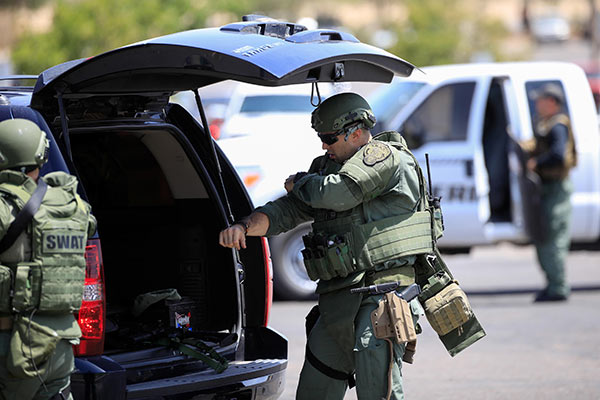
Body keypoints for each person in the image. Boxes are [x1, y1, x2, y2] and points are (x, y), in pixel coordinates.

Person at [219, 92, 438, 399]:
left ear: (357, 132)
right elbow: (288, 210)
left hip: (383, 294)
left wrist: (301, 183)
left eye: (329, 138)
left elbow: (340, 193)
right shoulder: (326, 170)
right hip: (340, 298)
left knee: (377, 382)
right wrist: (244, 227)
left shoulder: (384, 157)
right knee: (315, 387)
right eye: (321, 138)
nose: (323, 145)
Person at [0, 118, 96, 399]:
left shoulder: (5, 207)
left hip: (13, 347)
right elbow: (89, 224)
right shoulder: (71, 204)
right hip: (62, 344)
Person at [522, 83, 576, 302]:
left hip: (556, 189)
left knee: (554, 238)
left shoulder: (557, 126)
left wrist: (537, 163)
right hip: (547, 188)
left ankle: (559, 287)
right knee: (544, 237)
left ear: (552, 103)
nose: (537, 104)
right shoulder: (545, 124)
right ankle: (552, 284)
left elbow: (558, 155)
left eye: (541, 100)